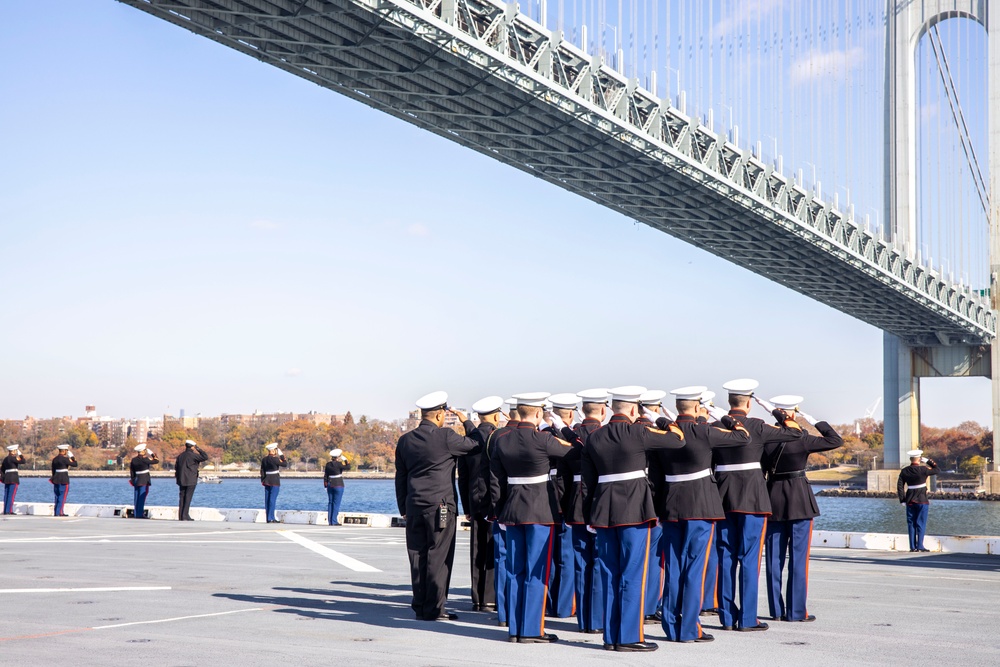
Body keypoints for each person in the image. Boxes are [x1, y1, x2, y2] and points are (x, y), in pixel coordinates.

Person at [582, 385, 686, 653]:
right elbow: (678, 440)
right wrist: (660, 419)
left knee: (609, 575)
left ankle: (611, 637)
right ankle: (629, 637)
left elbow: (588, 483)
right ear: (633, 409)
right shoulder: (640, 432)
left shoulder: (594, 437)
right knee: (632, 574)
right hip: (634, 511)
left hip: (603, 511)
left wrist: (589, 516)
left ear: (611, 408)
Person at [653, 386, 750, 644]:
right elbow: (743, 438)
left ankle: (671, 626)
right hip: (700, 506)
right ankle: (689, 629)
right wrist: (728, 418)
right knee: (695, 567)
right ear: (697, 408)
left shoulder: (664, 434)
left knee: (674, 567)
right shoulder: (705, 431)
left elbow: (655, 475)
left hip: (671, 506)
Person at [712, 379, 802, 632]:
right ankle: (748, 618)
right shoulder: (757, 426)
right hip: (752, 498)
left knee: (726, 557)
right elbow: (795, 432)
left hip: (722, 497)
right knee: (749, 558)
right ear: (749, 403)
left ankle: (728, 618)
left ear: (729, 402)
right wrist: (777, 412)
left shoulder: (715, 426)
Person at [489, 392, 573, 644]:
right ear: (538, 414)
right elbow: (577, 450)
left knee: (516, 571)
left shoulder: (501, 441)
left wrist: (500, 511)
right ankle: (532, 630)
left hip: (512, 512)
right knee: (537, 572)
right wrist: (558, 427)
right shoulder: (543, 439)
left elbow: (495, 481)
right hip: (539, 512)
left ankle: (515, 629)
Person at [395, 391, 478, 621]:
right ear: (440, 414)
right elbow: (477, 444)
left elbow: (400, 477)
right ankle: (435, 608)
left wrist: (403, 506)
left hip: (413, 505)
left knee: (417, 556)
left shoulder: (405, 440)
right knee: (438, 557)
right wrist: (467, 421)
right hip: (440, 506)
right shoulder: (446, 437)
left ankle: (420, 606)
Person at [762, 395, 843, 623]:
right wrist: (814, 420)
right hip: (799, 500)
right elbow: (835, 440)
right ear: (794, 414)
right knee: (798, 559)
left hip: (773, 499)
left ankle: (776, 611)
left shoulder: (767, 437)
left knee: (773, 559)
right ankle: (796, 611)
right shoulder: (802, 438)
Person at [561, 388, 609, 635]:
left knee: (581, 563)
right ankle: (597, 619)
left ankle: (584, 620)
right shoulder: (606, 434)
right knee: (600, 561)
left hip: (575, 503)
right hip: (601, 500)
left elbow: (562, 475)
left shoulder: (572, 435)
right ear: (603, 410)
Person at [457, 395, 503, 612]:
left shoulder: (469, 440)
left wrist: (466, 507)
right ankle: (491, 597)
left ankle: (478, 599)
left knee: (477, 548)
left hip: (475, 500)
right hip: (495, 499)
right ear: (496, 415)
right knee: (493, 546)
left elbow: (463, 477)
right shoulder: (498, 437)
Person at [482, 397, 519, 628]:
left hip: (501, 508)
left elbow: (493, 478)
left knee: (503, 560)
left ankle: (504, 612)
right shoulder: (536, 437)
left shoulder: (497, 436)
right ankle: (517, 613)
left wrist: (495, 507)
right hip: (525, 509)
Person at [543, 392, 579, 619]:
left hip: (545, 498)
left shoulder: (543, 434)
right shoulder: (573, 436)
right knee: (566, 556)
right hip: (565, 498)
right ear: (570, 413)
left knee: (551, 555)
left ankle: (550, 602)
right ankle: (564, 607)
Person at [897, 449, 938, 552]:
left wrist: (902, 499)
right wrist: (928, 461)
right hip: (922, 500)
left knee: (911, 523)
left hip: (910, 500)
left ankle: (912, 547)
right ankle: (920, 545)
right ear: (919, 459)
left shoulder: (905, 471)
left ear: (910, 459)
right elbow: (937, 470)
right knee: (921, 523)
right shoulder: (923, 470)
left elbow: (900, 486)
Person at [175, 439, 209, 521]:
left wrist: (178, 478)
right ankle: (185, 515)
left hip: (181, 479)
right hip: (191, 479)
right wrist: (199, 449)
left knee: (182, 498)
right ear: (193, 447)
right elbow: (205, 457)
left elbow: (176, 468)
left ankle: (181, 516)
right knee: (188, 498)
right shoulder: (193, 455)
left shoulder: (180, 456)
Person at [129, 444, 159, 519]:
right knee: (142, 497)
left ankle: (136, 513)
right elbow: (156, 461)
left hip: (136, 479)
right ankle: (140, 514)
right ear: (142, 451)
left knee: (136, 498)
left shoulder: (134, 460)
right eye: (145, 450)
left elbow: (132, 471)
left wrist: (133, 479)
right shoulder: (145, 459)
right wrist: (152, 454)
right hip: (144, 480)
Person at [260, 443, 287, 523]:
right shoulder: (275, 459)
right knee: (272, 500)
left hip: (266, 480)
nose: (276, 451)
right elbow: (285, 464)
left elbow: (262, 471)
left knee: (267, 500)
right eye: (275, 450)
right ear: (273, 450)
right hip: (274, 481)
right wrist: (281, 455)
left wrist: (263, 480)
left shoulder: (264, 459)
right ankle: (271, 518)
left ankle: (268, 518)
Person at [50, 444, 78, 516]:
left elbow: (53, 470)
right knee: (62, 496)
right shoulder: (65, 459)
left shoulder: (55, 459)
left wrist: (53, 478)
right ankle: (60, 512)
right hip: (63, 479)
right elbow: (75, 464)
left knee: (57, 496)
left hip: (56, 479)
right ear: (65, 451)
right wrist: (71, 456)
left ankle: (56, 512)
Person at [325, 448, 350, 526]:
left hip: (330, 484)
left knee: (330, 502)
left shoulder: (328, 464)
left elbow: (326, 475)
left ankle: (330, 521)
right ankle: (334, 521)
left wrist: (326, 484)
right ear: (338, 457)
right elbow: (348, 467)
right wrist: (345, 460)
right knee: (336, 503)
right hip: (338, 484)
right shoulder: (339, 464)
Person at [2, 444, 26, 514]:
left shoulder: (6, 459)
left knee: (6, 495)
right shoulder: (13, 458)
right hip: (13, 478)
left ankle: (6, 510)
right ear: (12, 451)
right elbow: (23, 461)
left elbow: (2, 469)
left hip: (7, 478)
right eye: (15, 450)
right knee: (11, 495)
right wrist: (20, 454)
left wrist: (3, 478)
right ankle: (9, 510)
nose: (16, 452)